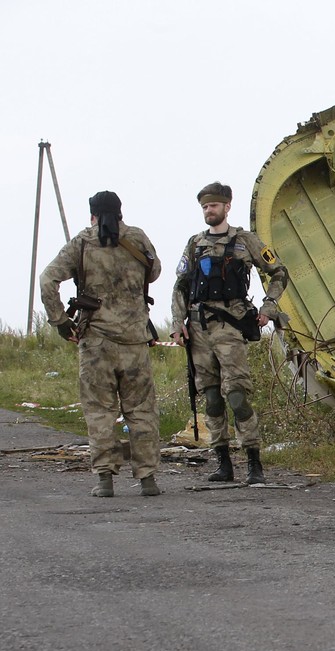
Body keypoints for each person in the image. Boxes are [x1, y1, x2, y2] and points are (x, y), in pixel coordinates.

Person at [39, 191, 163, 498]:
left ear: (92, 215)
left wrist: (60, 321)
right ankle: (148, 479)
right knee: (141, 410)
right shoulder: (138, 238)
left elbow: (47, 279)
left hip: (96, 341)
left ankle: (105, 480)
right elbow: (155, 271)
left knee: (100, 412)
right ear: (121, 213)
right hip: (135, 339)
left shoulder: (82, 242)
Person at [170, 182, 289, 484]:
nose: (208, 211)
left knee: (237, 396)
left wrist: (269, 307)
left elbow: (279, 272)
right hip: (199, 329)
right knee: (211, 398)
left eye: (213, 205)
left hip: (231, 326)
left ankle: (253, 462)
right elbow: (181, 286)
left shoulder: (244, 241)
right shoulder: (195, 244)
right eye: (204, 207)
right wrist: (177, 322)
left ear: (226, 206)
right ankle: (222, 462)